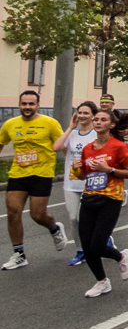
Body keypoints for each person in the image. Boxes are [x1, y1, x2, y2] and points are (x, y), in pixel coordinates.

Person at [1, 90, 69, 269]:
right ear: (19, 105)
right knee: (13, 211)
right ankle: (19, 254)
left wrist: (75, 167)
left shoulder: (49, 123)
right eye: (24, 104)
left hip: (42, 173)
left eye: (31, 104)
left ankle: (54, 228)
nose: (27, 107)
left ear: (38, 105)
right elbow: (1, 143)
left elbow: (62, 145)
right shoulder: (10, 124)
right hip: (18, 173)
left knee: (37, 215)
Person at [77, 107, 128, 297]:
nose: (98, 122)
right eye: (96, 119)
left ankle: (121, 256)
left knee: (97, 244)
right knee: (86, 245)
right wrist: (77, 169)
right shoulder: (87, 149)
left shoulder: (118, 146)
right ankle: (102, 282)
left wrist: (109, 169)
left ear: (111, 125)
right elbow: (83, 176)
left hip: (111, 199)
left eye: (103, 119)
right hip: (88, 198)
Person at [53, 101, 99, 266]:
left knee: (84, 219)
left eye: (86, 113)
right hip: (71, 184)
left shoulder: (97, 134)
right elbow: (56, 147)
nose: (82, 116)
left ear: (93, 115)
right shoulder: (72, 134)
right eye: (79, 112)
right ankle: (80, 251)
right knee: (73, 219)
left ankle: (100, 241)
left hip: (91, 183)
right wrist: (70, 128)